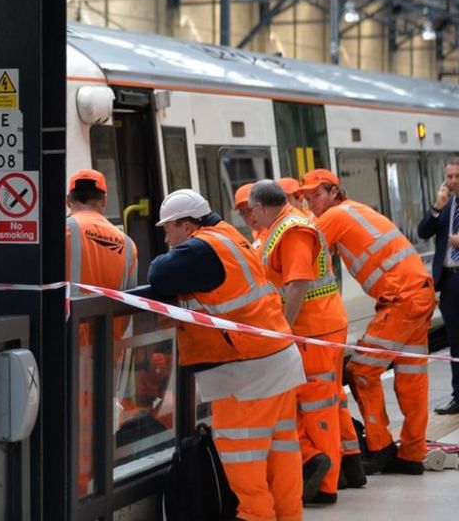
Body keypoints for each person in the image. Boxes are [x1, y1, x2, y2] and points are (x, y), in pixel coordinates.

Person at [149, 189, 305, 521]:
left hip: (246, 374)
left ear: (188, 226)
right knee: (282, 455)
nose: (166, 239)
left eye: (168, 229)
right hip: (277, 357)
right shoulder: (228, 236)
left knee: (244, 463)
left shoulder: (203, 248)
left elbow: (158, 274)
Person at [301, 168, 437, 475]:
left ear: (334, 191)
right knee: (412, 378)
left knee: (361, 370)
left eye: (315, 196)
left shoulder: (335, 216)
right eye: (307, 199)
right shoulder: (355, 210)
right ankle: (412, 454)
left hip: (400, 301)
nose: (312, 204)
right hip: (420, 294)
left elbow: (302, 242)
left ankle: (380, 448)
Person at [248, 180, 365, 505]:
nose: (250, 218)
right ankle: (348, 466)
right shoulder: (285, 226)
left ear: (259, 207)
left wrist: (283, 328)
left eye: (250, 211)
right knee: (322, 401)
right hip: (315, 328)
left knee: (316, 406)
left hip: (314, 329)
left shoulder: (292, 230)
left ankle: (325, 486)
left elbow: (298, 283)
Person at [65, 169, 138, 497]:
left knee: (66, 429)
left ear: (69, 199)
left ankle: (73, 500)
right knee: (94, 433)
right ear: (104, 200)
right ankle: (91, 498)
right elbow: (131, 303)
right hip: (108, 351)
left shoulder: (64, 231)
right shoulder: (128, 244)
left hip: (66, 348)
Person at [418, 158, 459, 415]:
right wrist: (436, 207)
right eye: (450, 177)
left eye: (457, 176)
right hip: (450, 280)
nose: (453, 181)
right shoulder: (446, 204)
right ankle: (458, 395)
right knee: (456, 340)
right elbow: (423, 232)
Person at [234, 182, 263, 249]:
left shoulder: (274, 230)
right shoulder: (256, 235)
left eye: (250, 209)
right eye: (244, 212)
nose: (249, 216)